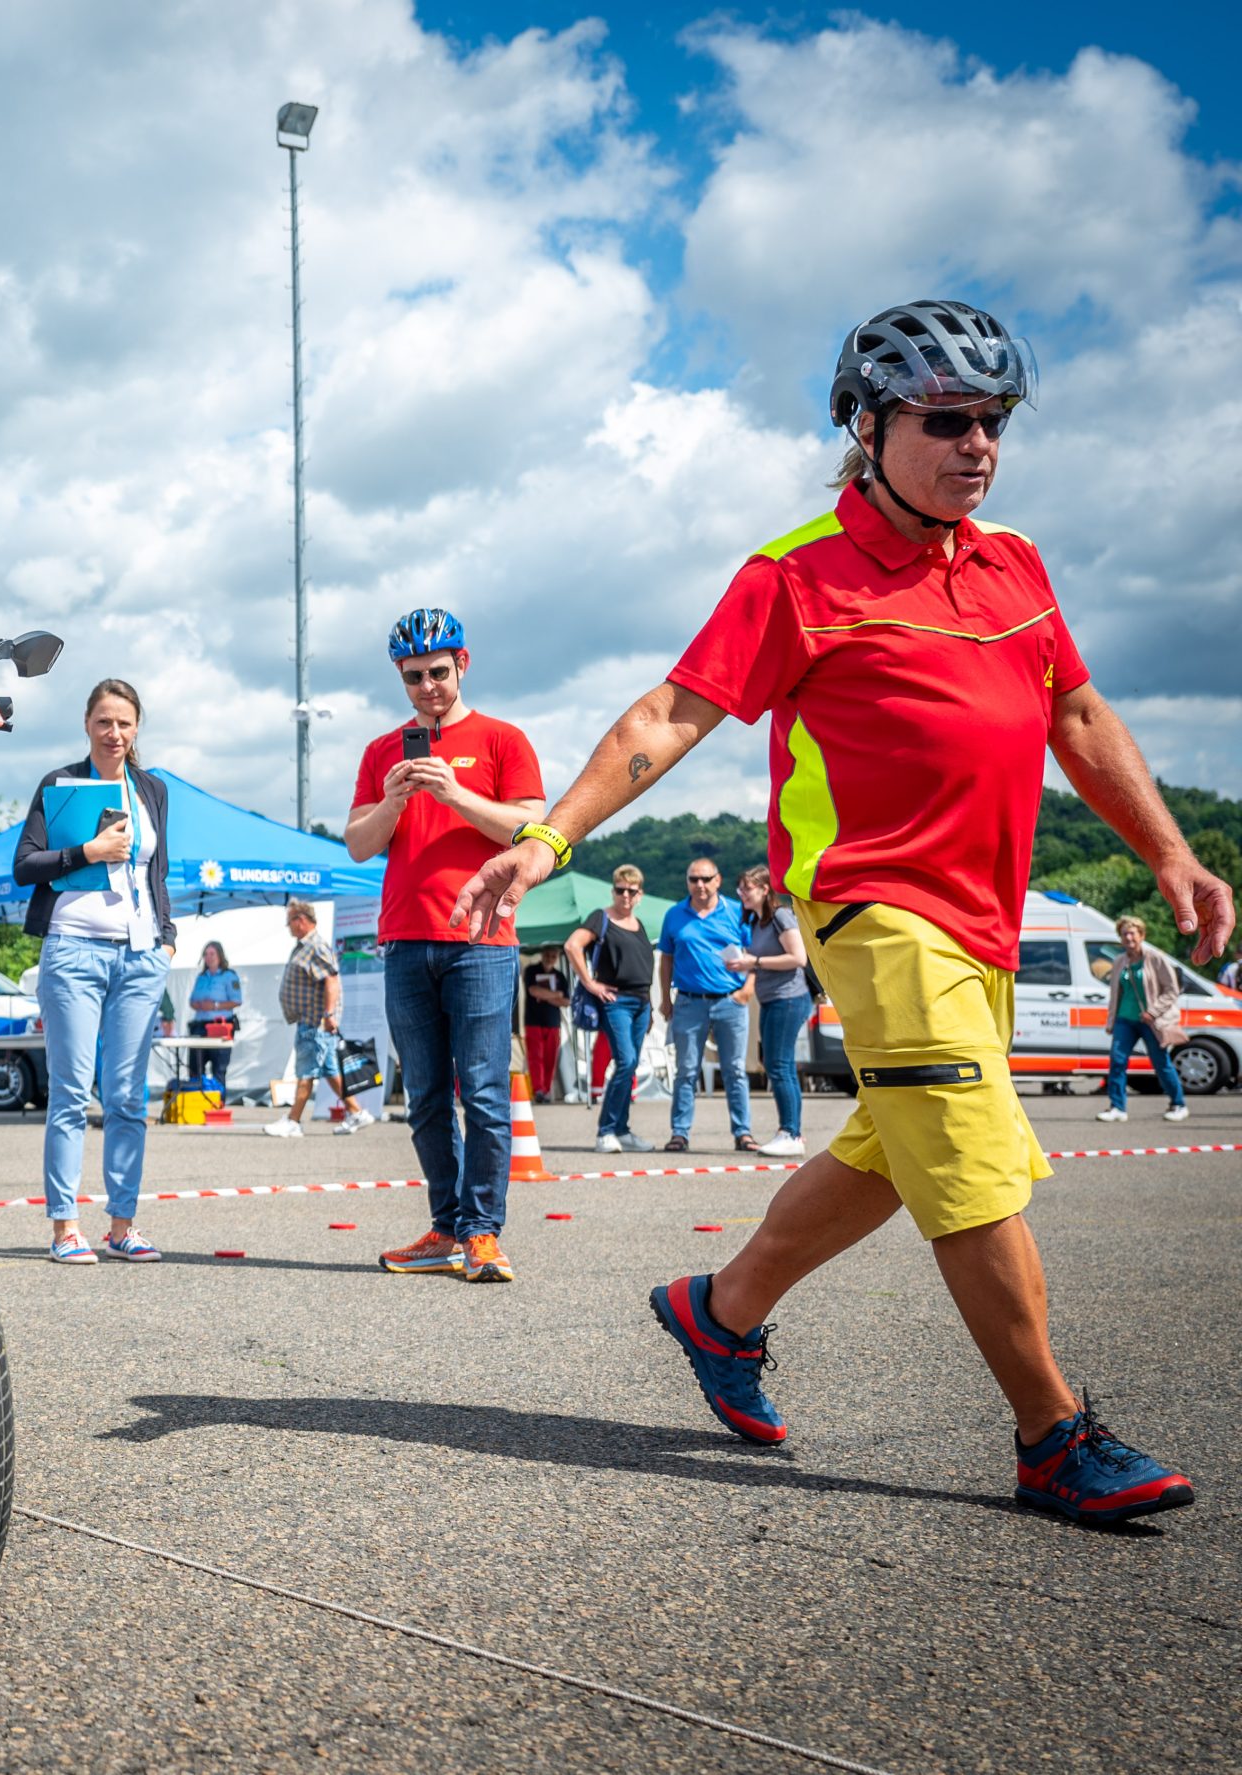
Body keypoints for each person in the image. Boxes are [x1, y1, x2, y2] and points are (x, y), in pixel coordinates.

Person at [456, 298, 1229, 1523]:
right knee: (971, 1163)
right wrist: (550, 833)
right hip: (874, 911)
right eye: (947, 420)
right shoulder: (794, 576)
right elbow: (668, 715)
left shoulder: (1012, 565)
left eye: (994, 423)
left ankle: (719, 1311)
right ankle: (1053, 1434)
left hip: (984, 920)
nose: (976, 445)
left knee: (897, 1142)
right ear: (867, 426)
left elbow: (1078, 720)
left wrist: (1173, 854)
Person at [347, 608, 543, 1283]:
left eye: (437, 671)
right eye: (412, 677)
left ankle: (484, 1232)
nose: (427, 687)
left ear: (463, 663)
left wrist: (453, 792)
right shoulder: (383, 750)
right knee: (426, 1095)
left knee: (484, 1092)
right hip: (403, 939)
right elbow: (359, 843)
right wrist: (396, 801)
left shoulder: (502, 739)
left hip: (481, 939)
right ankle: (446, 1225)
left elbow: (529, 828)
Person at [14, 679, 174, 1263]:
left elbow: (159, 872)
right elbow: (25, 866)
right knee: (72, 1094)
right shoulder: (60, 785)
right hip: (74, 951)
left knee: (130, 1096)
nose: (115, 734)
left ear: (137, 729)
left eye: (125, 723)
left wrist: (168, 937)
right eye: (105, 722)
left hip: (140, 954)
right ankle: (65, 1227)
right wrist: (86, 853)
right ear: (87, 724)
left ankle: (123, 1224)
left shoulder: (152, 789)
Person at [657, 859, 755, 1154]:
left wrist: (748, 990)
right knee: (686, 1070)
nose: (699, 885)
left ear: (718, 880)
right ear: (687, 881)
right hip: (689, 1001)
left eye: (705, 879)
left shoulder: (737, 912)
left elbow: (754, 953)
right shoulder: (675, 914)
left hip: (730, 1001)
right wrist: (665, 997)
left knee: (735, 1070)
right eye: (693, 879)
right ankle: (680, 1133)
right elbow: (666, 958)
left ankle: (743, 1132)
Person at [566, 865, 656, 1152]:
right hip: (615, 1002)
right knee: (626, 1061)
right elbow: (572, 946)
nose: (626, 895)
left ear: (640, 894)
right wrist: (590, 983)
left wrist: (651, 1007)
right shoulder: (600, 917)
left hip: (641, 1002)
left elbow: (642, 969)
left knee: (629, 1065)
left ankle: (622, 1129)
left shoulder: (639, 924)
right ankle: (605, 1131)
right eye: (620, 889)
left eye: (632, 890)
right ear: (613, 891)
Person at [263, 901, 367, 1138]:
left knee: (306, 1072)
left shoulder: (316, 945)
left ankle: (293, 1120)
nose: (288, 927)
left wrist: (329, 1014)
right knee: (329, 1070)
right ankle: (356, 1112)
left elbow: (331, 980)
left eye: (290, 921)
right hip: (309, 1021)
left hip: (315, 1021)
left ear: (301, 919)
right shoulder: (306, 945)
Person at [734, 865, 812, 1157]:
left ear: (765, 889)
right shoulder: (756, 921)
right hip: (773, 1000)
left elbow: (798, 957)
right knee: (779, 1065)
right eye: (740, 888)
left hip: (788, 998)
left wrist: (754, 962)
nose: (742, 893)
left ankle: (790, 1132)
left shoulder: (780, 916)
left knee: (779, 1066)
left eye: (748, 888)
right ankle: (791, 1131)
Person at [1096, 916, 1190, 1125]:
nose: (1128, 937)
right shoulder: (1120, 961)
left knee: (1160, 1063)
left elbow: (1171, 990)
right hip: (1124, 1019)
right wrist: (1111, 1021)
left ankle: (1178, 1104)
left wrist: (1153, 1012)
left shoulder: (1155, 958)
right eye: (1124, 934)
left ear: (1141, 935)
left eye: (1132, 933)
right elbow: (1115, 994)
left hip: (1150, 1021)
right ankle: (1117, 1107)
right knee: (1117, 1061)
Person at [185, 941, 243, 1090]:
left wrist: (215, 1005)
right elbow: (192, 1000)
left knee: (219, 1068)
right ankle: (197, 1101)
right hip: (200, 1025)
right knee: (195, 1066)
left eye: (212, 954)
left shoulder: (229, 976)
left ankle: (217, 1104)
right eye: (206, 954)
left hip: (219, 1026)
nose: (208, 957)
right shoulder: (201, 977)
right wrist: (197, 1005)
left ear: (220, 955)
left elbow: (237, 1000)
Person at [521, 945, 568, 1102]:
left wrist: (545, 995)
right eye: (547, 955)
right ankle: (538, 1090)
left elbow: (566, 1000)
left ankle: (546, 1090)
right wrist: (555, 995)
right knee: (535, 1057)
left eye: (553, 956)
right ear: (542, 955)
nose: (550, 958)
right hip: (533, 1021)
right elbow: (533, 991)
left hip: (553, 1023)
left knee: (550, 1058)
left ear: (557, 958)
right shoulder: (532, 970)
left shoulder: (560, 976)